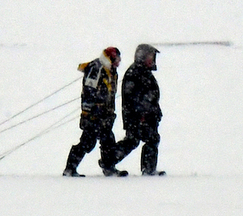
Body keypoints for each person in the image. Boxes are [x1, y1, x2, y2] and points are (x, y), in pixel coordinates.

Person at [62, 47, 127, 177]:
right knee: (87, 142)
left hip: (105, 114)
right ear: (110, 58)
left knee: (108, 140)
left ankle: (109, 168)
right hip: (94, 114)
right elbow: (88, 91)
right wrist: (87, 113)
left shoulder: (112, 71)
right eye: (116, 60)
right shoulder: (96, 68)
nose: (118, 63)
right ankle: (69, 168)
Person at [113, 44, 165, 176]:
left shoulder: (143, 72)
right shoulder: (135, 73)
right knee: (135, 140)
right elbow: (133, 98)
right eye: (150, 57)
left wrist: (155, 112)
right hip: (138, 116)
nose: (152, 60)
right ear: (141, 57)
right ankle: (109, 160)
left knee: (140, 139)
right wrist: (142, 113)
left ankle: (148, 168)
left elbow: (151, 96)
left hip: (146, 116)